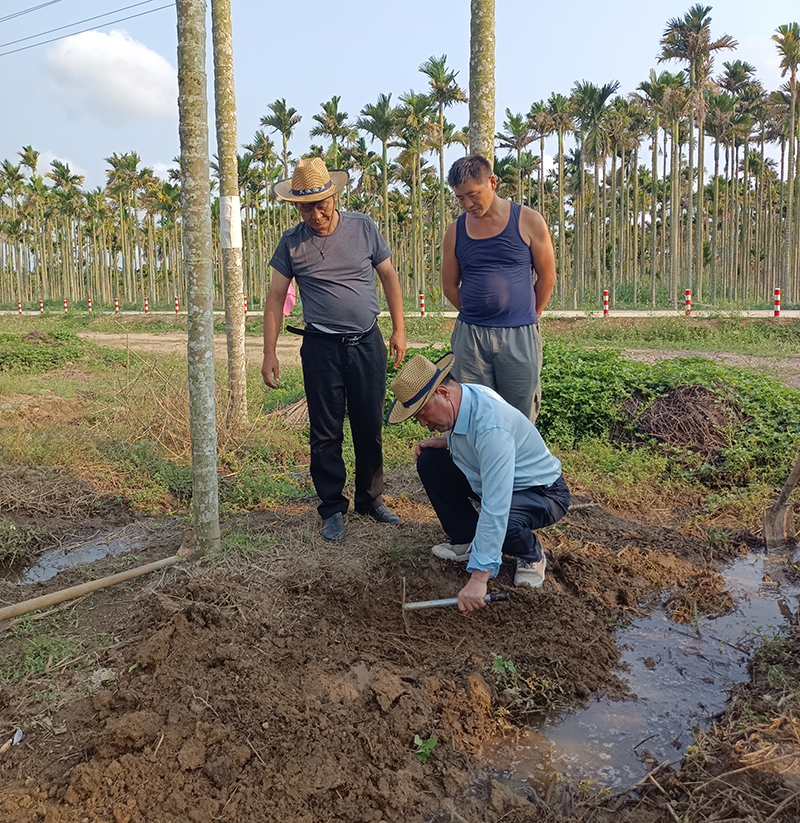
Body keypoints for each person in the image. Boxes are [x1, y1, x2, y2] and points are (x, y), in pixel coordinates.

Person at [262, 157, 407, 542]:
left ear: (334, 197)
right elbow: (276, 298)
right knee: (325, 433)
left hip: (367, 341)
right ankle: (331, 508)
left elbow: (389, 277)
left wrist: (399, 331)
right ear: (295, 206)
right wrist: (269, 352)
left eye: (320, 204)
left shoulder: (363, 228)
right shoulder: (291, 244)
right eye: (305, 207)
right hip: (321, 347)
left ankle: (370, 500)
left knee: (369, 426)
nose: (314, 214)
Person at [387, 353, 570, 615]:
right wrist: (445, 442)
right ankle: (466, 540)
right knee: (431, 461)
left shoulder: (492, 428)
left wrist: (478, 579)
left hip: (542, 492)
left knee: (502, 520)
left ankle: (531, 554)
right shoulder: (466, 396)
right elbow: (469, 434)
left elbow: (495, 506)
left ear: (442, 392)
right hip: (495, 478)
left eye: (423, 413)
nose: (424, 424)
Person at [442, 154, 557, 423]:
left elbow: (547, 277)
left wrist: (527, 313)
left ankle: (519, 465)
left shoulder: (529, 221)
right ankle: (476, 466)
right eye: (460, 198)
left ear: (492, 182)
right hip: (470, 338)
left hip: (519, 335)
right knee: (472, 411)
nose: (467, 204)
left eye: (473, 194)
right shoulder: (455, 232)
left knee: (520, 411)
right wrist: (479, 311)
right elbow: (449, 286)